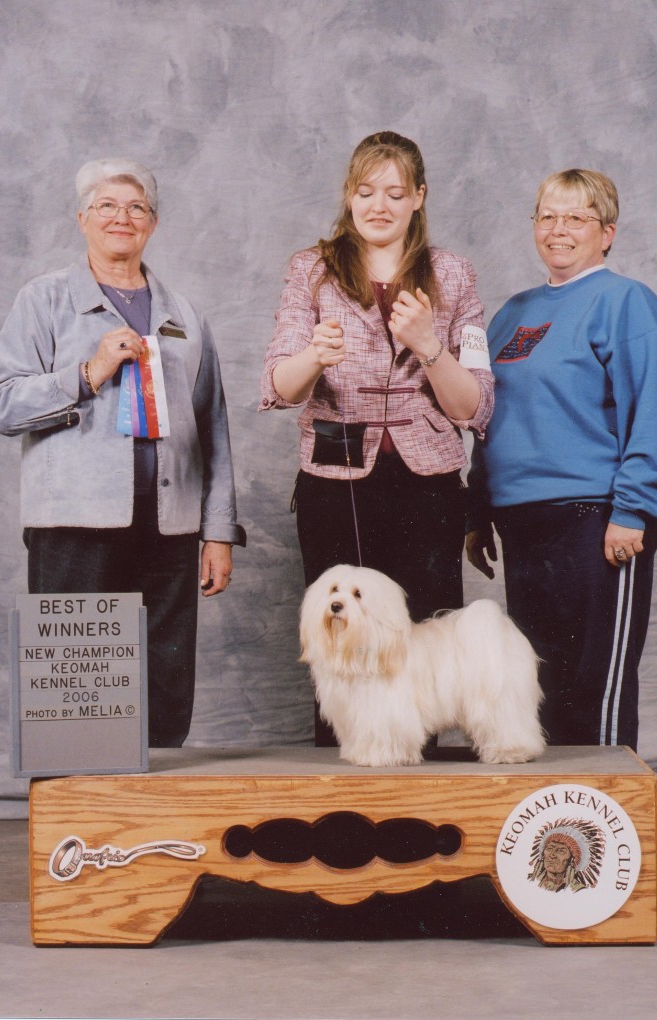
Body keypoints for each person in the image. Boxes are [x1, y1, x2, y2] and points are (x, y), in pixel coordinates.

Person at [0, 157, 245, 748]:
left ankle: (151, 815)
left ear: (153, 223)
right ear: (82, 218)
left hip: (170, 525)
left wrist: (219, 531)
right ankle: (78, 820)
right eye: (106, 205)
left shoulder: (186, 315)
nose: (121, 217)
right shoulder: (43, 300)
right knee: (74, 688)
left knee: (165, 681)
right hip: (75, 523)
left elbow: (215, 429)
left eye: (136, 208)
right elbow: (1, 406)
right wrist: (87, 372)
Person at [260, 131, 494, 743]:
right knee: (341, 646)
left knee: (428, 643)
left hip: (431, 485)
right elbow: (280, 387)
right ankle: (343, 789)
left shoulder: (454, 275)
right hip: (335, 484)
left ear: (420, 196)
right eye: (366, 191)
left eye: (395, 192)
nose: (379, 205)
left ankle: (421, 781)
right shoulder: (310, 268)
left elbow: (474, 404)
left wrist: (430, 346)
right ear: (348, 195)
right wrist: (313, 355)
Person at [466, 169, 657, 751]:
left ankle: (606, 825)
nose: (558, 230)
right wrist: (477, 508)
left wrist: (632, 510)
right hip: (522, 520)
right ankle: (552, 832)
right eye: (547, 216)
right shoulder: (512, 314)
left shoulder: (627, 302)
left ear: (607, 232)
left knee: (595, 683)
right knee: (537, 682)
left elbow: (654, 411)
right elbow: (488, 414)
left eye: (577, 218)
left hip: (596, 518)